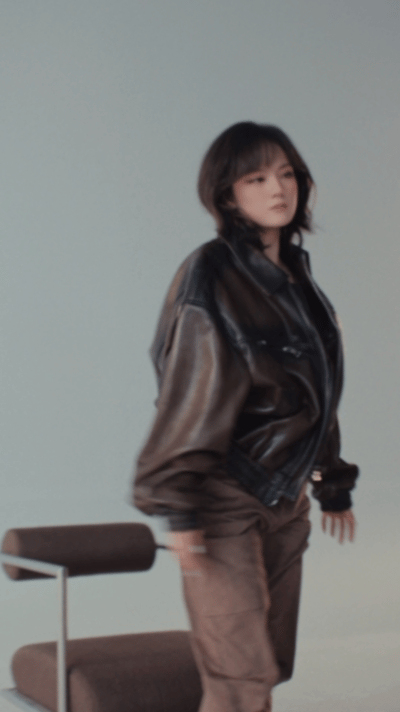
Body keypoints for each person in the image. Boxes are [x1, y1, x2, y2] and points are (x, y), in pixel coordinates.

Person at [132, 121, 359, 712]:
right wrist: (178, 505)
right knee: (240, 675)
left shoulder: (298, 279)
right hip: (224, 499)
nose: (277, 189)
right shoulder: (211, 273)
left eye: (286, 174)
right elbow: (188, 394)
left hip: (286, 499)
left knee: (271, 661)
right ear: (228, 195)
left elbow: (313, 395)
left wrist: (332, 481)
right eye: (256, 179)